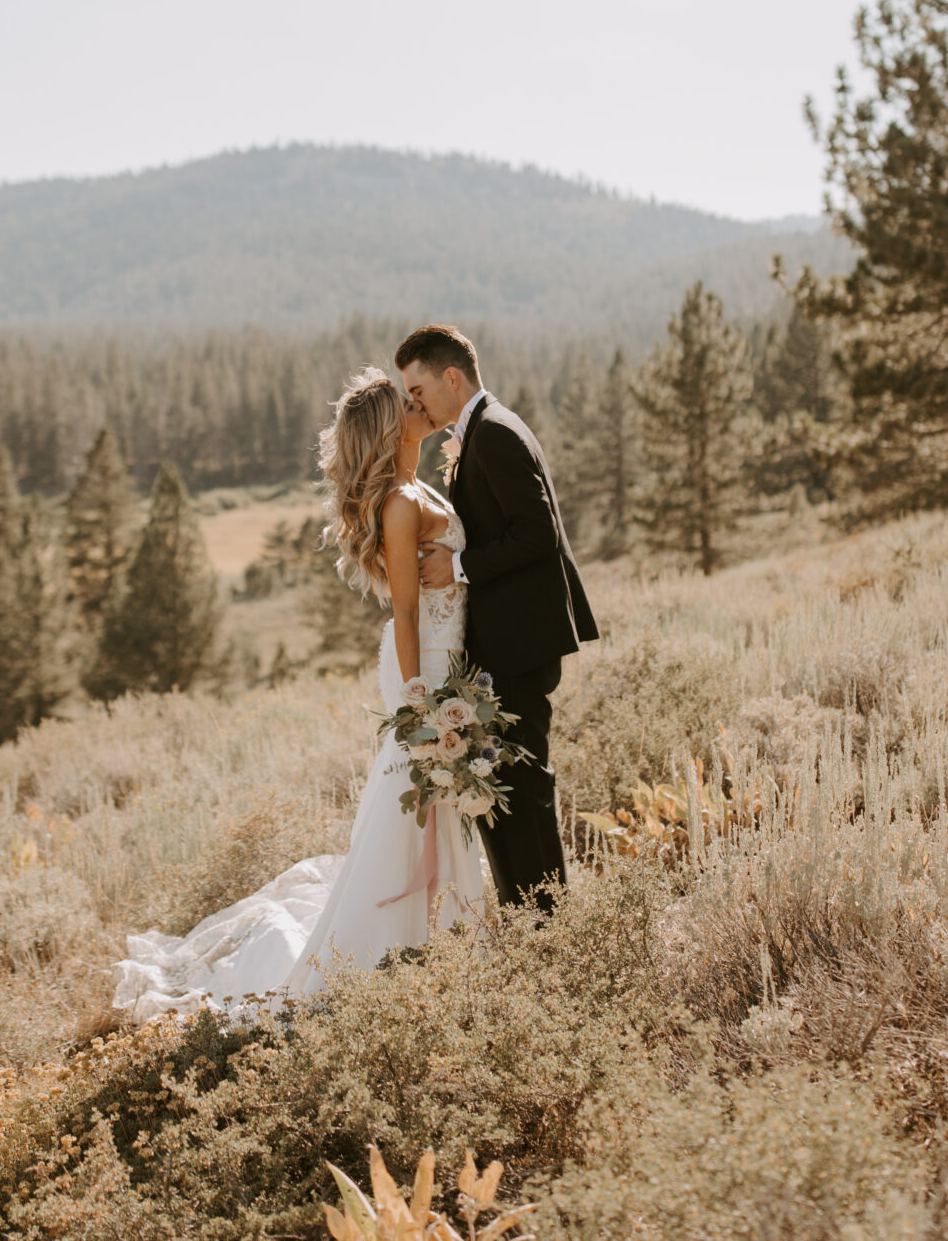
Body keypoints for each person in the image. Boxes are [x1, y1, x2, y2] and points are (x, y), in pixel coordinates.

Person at [110, 366, 490, 1020]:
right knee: (410, 812)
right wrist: (423, 701)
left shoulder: (417, 487)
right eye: (407, 402)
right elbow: (404, 612)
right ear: (389, 427)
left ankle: (442, 946)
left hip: (445, 658)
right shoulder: (401, 504)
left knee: (433, 814)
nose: (419, 404)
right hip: (422, 666)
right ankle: (376, 963)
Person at [395, 322, 597, 910]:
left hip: (520, 645)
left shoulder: (496, 435)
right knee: (499, 784)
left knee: (524, 784)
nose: (417, 404)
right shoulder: (480, 431)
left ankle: (549, 922)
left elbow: (537, 535)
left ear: (451, 377)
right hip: (503, 644)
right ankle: (526, 912)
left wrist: (459, 567)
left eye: (420, 390)